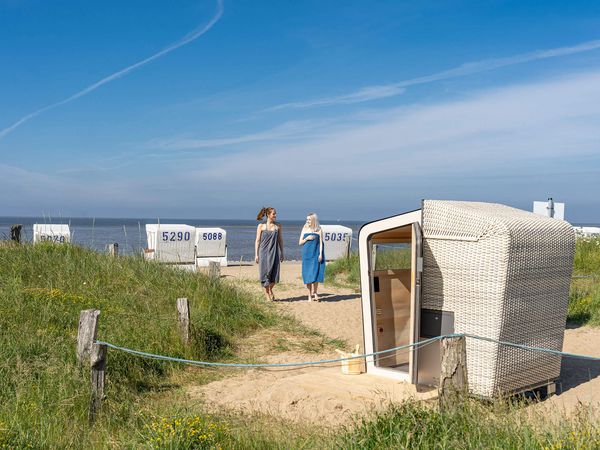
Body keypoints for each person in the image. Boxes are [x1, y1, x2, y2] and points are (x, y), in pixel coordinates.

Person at [255, 206, 284, 301]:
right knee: (265, 274)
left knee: (274, 274)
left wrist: (282, 252)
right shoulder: (261, 226)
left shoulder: (278, 226)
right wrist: (256, 254)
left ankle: (270, 290)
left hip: (274, 252)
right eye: (273, 213)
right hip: (263, 253)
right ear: (268, 214)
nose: (275, 215)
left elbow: (280, 240)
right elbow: (257, 241)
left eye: (275, 213)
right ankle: (267, 294)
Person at [299, 212, 325, 302]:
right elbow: (300, 243)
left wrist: (321, 254)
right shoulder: (305, 228)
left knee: (316, 274)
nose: (307, 221)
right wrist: (307, 238)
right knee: (308, 275)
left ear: (314, 220)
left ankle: (315, 292)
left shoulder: (319, 229)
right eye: (307, 219)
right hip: (307, 255)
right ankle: (309, 295)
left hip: (316, 254)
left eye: (309, 219)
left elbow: (321, 243)